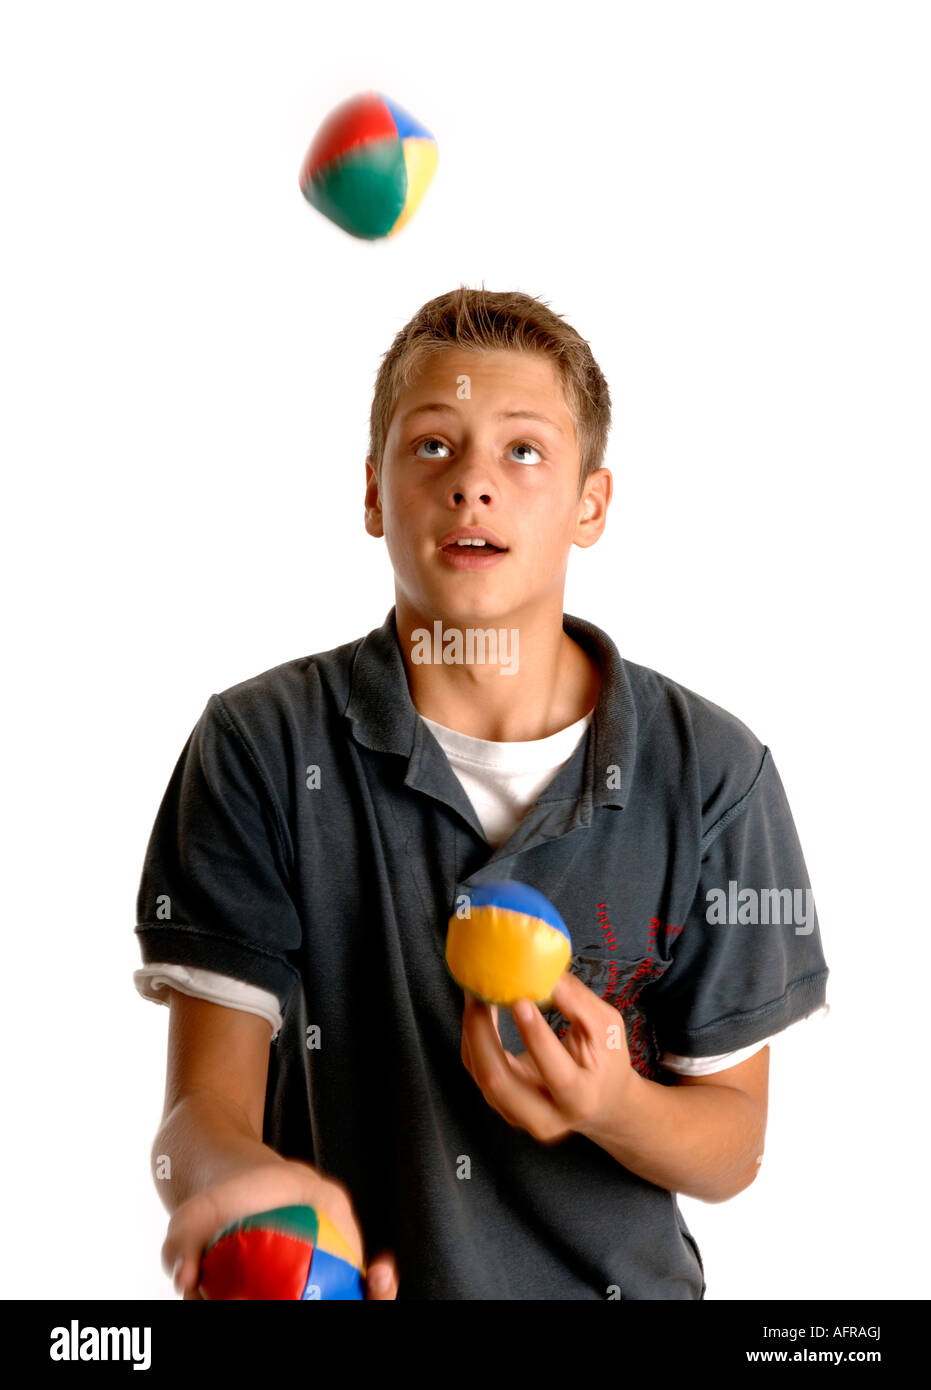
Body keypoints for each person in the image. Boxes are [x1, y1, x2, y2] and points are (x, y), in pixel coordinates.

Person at [134, 286, 830, 1300]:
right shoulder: (259, 745)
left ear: (590, 502)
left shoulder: (716, 771)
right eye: (431, 446)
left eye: (522, 450)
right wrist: (245, 1183)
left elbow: (732, 1145)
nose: (472, 484)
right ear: (373, 492)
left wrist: (611, 1105)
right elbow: (200, 1108)